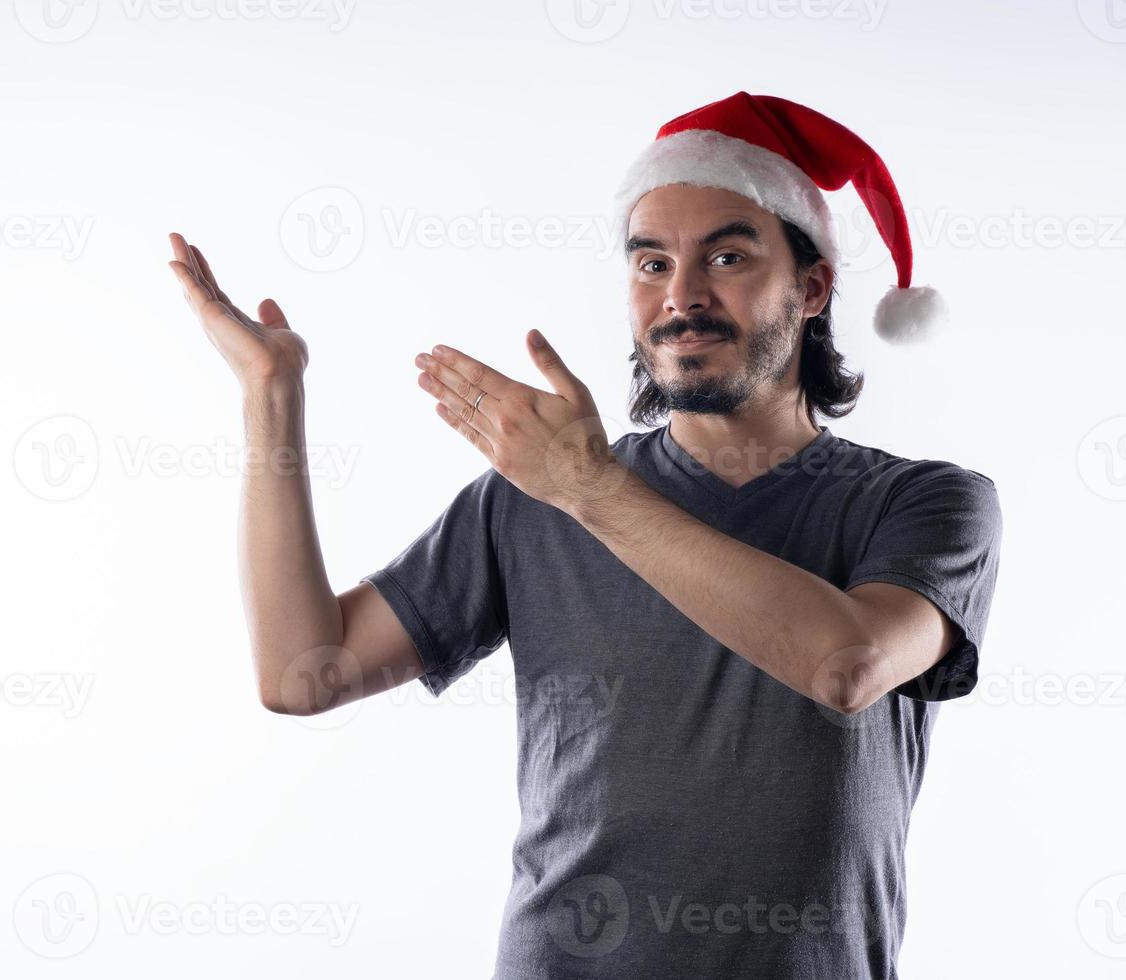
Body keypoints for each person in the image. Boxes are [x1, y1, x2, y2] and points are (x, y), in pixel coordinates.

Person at [166, 91, 1004, 979]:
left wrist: (588, 488)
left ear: (810, 287)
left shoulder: (926, 505)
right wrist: (270, 394)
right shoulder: (533, 497)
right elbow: (306, 674)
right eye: (650, 264)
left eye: (726, 255)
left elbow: (846, 663)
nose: (681, 296)